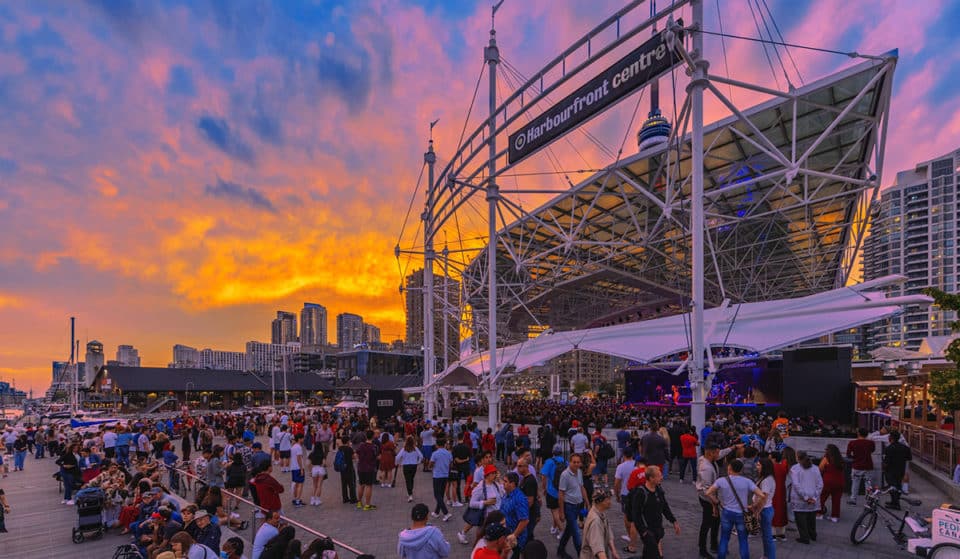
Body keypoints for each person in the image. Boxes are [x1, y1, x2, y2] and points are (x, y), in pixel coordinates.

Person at [704, 460, 766, 559]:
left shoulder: (721, 480)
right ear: (740, 470)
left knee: (724, 538)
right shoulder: (747, 481)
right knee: (743, 540)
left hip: (727, 512)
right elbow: (762, 495)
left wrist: (716, 501)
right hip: (741, 513)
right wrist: (753, 505)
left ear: (729, 468)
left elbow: (707, 493)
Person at [630, 466, 679, 559]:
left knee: (647, 555)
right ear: (651, 478)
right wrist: (643, 531)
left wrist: (673, 521)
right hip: (647, 531)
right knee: (655, 554)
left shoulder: (659, 489)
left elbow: (664, 506)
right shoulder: (641, 492)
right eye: (659, 476)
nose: (661, 477)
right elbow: (636, 515)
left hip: (658, 529)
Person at [459, 464, 503, 544]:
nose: (495, 475)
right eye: (492, 473)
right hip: (486, 518)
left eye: (495, 473)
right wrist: (485, 502)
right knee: (482, 538)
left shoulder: (495, 484)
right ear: (487, 475)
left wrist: (499, 480)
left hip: (497, 517)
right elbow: (472, 503)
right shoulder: (480, 487)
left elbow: (503, 493)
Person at [557, 453, 589, 559]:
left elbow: (582, 487)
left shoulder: (579, 472)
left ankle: (560, 550)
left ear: (580, 463)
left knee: (569, 530)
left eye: (578, 462)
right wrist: (561, 512)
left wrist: (587, 503)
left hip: (578, 505)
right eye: (573, 462)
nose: (575, 464)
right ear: (569, 462)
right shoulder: (565, 475)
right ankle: (581, 555)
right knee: (576, 533)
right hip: (569, 507)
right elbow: (561, 494)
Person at [790, 451, 823, 545]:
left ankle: (804, 537)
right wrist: (815, 497)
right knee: (811, 517)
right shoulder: (815, 468)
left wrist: (805, 497)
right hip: (813, 496)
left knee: (800, 518)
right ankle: (813, 534)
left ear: (797, 458)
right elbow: (820, 484)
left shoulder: (795, 469)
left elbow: (796, 485)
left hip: (800, 498)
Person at [500, 472, 530, 558]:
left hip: (515, 539)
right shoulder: (506, 494)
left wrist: (514, 535)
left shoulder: (519, 499)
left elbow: (525, 520)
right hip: (506, 533)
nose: (503, 483)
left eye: (505, 481)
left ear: (512, 484)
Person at [581, 488, 619, 559]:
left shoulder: (601, 513)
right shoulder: (596, 521)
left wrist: (614, 551)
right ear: (600, 502)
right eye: (608, 499)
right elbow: (599, 550)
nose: (610, 502)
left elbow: (609, 534)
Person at [540, 444, 566, 538]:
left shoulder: (549, 462)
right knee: (558, 510)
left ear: (553, 452)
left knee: (554, 511)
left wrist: (544, 488)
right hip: (563, 491)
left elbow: (543, 476)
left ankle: (562, 530)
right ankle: (554, 527)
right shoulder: (565, 462)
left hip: (552, 490)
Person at [846, 427, 876, 506]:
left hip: (857, 465)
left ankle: (853, 499)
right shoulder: (871, 443)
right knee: (868, 484)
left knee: (855, 483)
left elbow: (848, 454)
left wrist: (855, 457)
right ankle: (869, 501)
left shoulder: (852, 443)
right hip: (868, 465)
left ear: (858, 433)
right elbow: (872, 450)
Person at [883, 430, 912, 510]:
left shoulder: (889, 448)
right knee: (898, 485)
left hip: (890, 470)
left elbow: (886, 461)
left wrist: (884, 468)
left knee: (892, 486)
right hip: (900, 470)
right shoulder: (905, 448)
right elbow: (909, 458)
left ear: (891, 438)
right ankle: (894, 501)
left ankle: (896, 503)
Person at [771, 447, 796, 541]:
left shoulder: (782, 465)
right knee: (782, 511)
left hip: (780, 489)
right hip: (787, 491)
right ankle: (781, 533)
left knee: (775, 510)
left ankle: (773, 534)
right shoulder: (795, 465)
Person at [756, 458, 776, 559]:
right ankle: (766, 555)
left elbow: (764, 498)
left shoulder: (767, 480)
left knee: (768, 537)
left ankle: (770, 556)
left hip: (765, 510)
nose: (757, 467)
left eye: (759, 465)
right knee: (765, 536)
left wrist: (757, 511)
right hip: (764, 509)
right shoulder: (765, 478)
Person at [429, 437, 453, 521]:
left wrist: (430, 466)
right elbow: (451, 464)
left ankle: (446, 513)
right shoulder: (448, 453)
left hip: (437, 475)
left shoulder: (435, 454)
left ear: (437, 445)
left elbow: (431, 464)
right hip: (445, 475)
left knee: (437, 494)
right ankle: (436, 512)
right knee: (441, 494)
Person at [818, 444, 844, 522]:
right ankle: (835, 517)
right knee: (836, 499)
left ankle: (819, 514)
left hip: (828, 481)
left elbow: (820, 469)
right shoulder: (840, 459)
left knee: (822, 498)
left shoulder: (826, 459)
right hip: (840, 482)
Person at [355, 430, 378, 511]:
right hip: (369, 468)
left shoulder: (361, 445)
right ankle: (367, 504)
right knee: (368, 486)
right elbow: (376, 456)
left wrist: (359, 460)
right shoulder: (373, 446)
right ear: (372, 436)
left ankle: (359, 502)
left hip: (361, 467)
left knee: (361, 485)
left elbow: (356, 454)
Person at [397, 436, 424, 502]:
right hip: (413, 465)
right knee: (411, 479)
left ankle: (410, 494)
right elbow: (421, 456)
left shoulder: (404, 449)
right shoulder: (415, 448)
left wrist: (398, 463)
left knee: (407, 480)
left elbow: (398, 457)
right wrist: (418, 462)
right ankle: (410, 490)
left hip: (406, 466)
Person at [307, 440, 326, 507]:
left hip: (314, 469)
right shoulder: (322, 454)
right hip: (320, 469)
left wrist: (310, 471)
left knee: (314, 485)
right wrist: (322, 465)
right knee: (319, 485)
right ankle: (317, 500)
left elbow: (308, 464)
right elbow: (324, 463)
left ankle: (312, 500)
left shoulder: (311, 454)